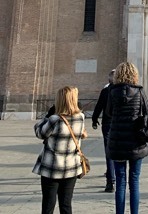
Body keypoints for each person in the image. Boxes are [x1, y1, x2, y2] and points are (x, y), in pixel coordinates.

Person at [33, 85, 87, 214]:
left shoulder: (54, 120)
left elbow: (39, 132)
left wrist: (47, 116)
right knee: (66, 205)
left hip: (52, 168)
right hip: (71, 167)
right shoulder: (81, 117)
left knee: (48, 205)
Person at [107, 61, 148, 214]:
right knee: (134, 181)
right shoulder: (139, 92)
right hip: (135, 142)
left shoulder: (112, 92)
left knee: (120, 181)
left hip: (118, 141)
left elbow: (108, 112)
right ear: (134, 75)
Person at [92, 69, 116, 192]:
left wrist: (94, 119)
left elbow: (98, 107)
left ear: (109, 79)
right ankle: (118, 178)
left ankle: (110, 181)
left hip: (107, 125)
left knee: (109, 152)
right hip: (121, 125)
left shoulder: (106, 91)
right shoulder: (127, 90)